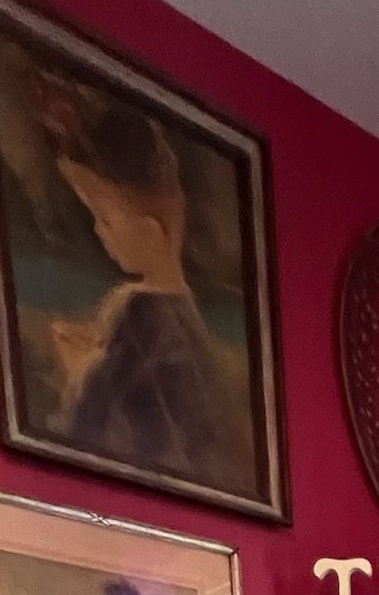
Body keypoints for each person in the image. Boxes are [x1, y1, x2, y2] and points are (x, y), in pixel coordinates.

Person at [45, 106, 253, 493]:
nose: (97, 229)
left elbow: (93, 411)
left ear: (151, 231)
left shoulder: (142, 313)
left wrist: (80, 368)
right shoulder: (175, 311)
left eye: (105, 218)